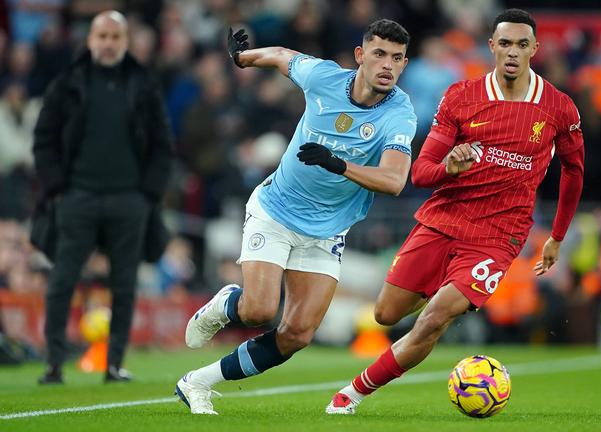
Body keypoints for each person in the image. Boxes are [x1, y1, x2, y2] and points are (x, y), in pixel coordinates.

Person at [325, 8, 585, 414]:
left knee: (432, 319)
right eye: (504, 43)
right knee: (385, 313)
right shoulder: (462, 96)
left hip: (499, 236)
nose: (512, 52)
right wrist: (450, 166)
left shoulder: (558, 107)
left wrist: (557, 236)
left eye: (521, 44)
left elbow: (574, 170)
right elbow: (422, 173)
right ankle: (443, 290)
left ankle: (352, 394)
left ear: (536, 48)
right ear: (491, 47)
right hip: (444, 219)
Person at [175, 19, 417, 415]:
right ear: (360, 57)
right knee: (258, 310)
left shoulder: (399, 113)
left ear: (404, 64)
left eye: (396, 58)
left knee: (297, 334)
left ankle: (198, 382)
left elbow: (393, 180)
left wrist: (339, 166)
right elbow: (283, 57)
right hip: (276, 211)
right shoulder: (323, 77)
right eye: (378, 54)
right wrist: (242, 59)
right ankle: (227, 304)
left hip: (328, 230)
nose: (387, 65)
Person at [33, 10, 173, 384]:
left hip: (129, 200)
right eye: (102, 36)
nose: (108, 43)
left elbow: (162, 144)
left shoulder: (143, 84)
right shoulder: (68, 83)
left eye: (115, 37)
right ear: (90, 40)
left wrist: (148, 195)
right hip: (77, 196)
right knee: (62, 280)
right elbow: (44, 139)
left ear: (125, 42)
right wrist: (57, 188)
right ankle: (54, 364)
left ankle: (113, 364)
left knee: (124, 285)